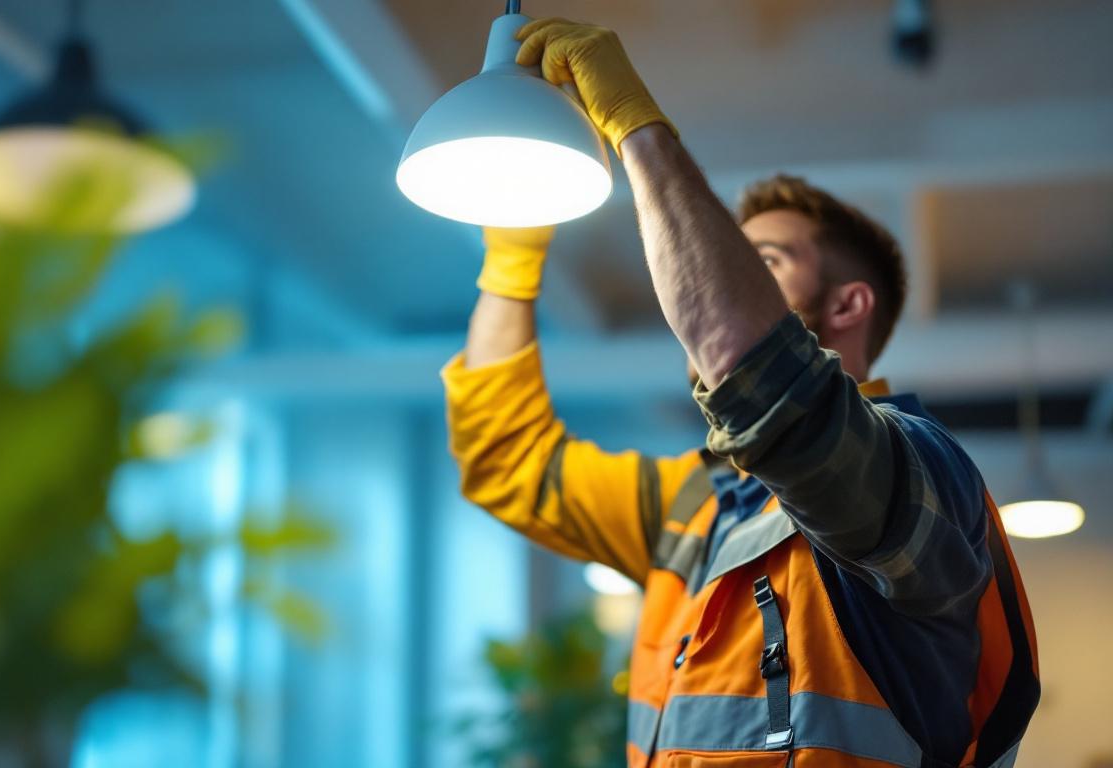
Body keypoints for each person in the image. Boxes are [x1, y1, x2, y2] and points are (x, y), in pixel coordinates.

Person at [441, 17, 1040, 768]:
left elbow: (770, 387)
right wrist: (512, 260)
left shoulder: (925, 475)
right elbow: (509, 459)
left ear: (847, 306)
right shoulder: (695, 505)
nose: (727, 276)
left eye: (761, 263)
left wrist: (639, 133)